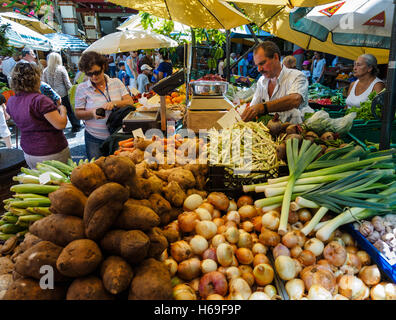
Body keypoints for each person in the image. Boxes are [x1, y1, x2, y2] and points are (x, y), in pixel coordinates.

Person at [6, 62, 69, 168]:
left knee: (42, 181)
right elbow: (60, 124)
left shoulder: (12, 100)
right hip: (50, 152)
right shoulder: (40, 100)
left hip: (29, 153)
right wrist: (63, 110)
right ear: (36, 78)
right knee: (61, 182)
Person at [74, 51, 134, 160]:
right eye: (89, 74)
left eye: (97, 72)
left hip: (118, 136)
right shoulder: (82, 88)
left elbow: (130, 102)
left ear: (103, 67)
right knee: (98, 170)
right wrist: (92, 113)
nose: (94, 77)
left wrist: (114, 103)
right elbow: (78, 113)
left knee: (118, 170)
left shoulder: (116, 82)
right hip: (95, 138)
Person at [241, 41, 311, 124]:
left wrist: (263, 107)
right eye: (257, 65)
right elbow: (253, 107)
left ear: (275, 57)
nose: (259, 69)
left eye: (262, 63)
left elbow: (294, 100)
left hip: (292, 133)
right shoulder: (261, 81)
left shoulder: (297, 76)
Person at [43, 52, 82, 132]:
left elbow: (44, 83)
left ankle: (58, 127)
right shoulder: (61, 69)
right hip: (63, 94)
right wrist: (72, 92)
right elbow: (67, 83)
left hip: (51, 95)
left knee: (56, 111)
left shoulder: (45, 71)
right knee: (69, 110)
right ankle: (76, 126)